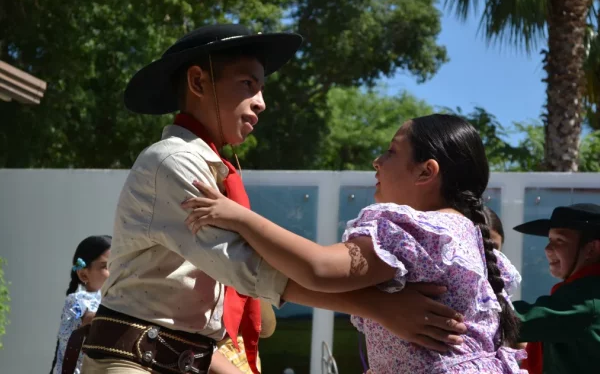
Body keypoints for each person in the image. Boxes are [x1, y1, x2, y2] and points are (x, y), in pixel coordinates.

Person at [81, 25, 468, 374]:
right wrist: (378, 307)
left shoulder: (215, 169)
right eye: (248, 84)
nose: (261, 101)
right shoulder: (173, 160)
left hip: (180, 357)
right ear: (198, 81)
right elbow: (246, 267)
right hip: (132, 362)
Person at [183, 114, 526, 373]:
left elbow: (318, 269)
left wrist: (238, 216)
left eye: (392, 151)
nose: (377, 161)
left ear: (426, 172)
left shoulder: (416, 229)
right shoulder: (465, 233)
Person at [512, 203, 600, 374]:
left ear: (591, 249)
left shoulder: (587, 298)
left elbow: (520, 321)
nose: (547, 249)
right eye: (549, 240)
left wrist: (462, 304)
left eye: (560, 240)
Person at [49, 235, 111, 374]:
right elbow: (93, 319)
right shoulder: (78, 300)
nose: (114, 272)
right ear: (83, 275)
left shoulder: (113, 299)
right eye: (106, 266)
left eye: (117, 265)